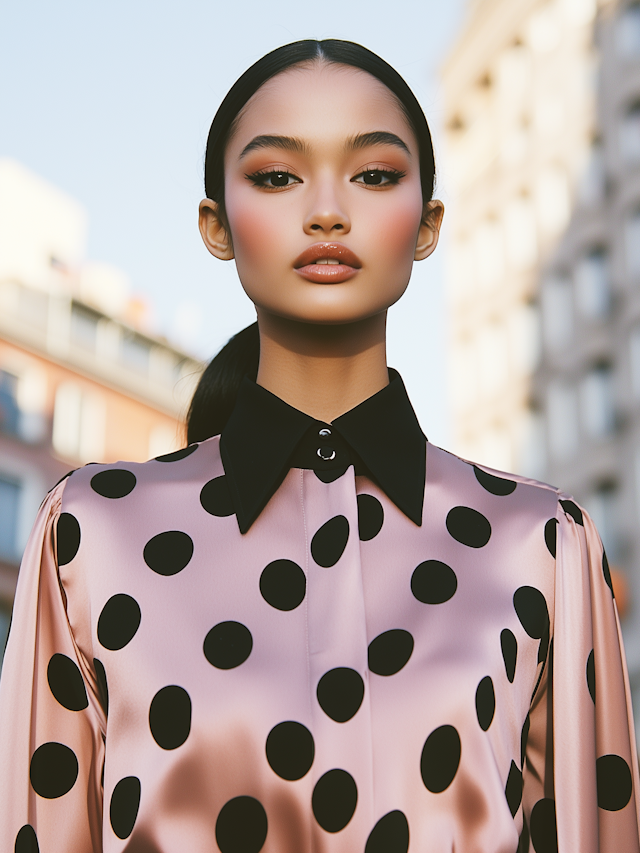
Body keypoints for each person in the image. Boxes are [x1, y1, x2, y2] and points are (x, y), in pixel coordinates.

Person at [0, 38, 638, 853]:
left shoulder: (546, 542)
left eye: (374, 174)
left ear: (428, 224)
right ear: (216, 224)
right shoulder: (88, 532)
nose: (327, 210)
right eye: (276, 176)